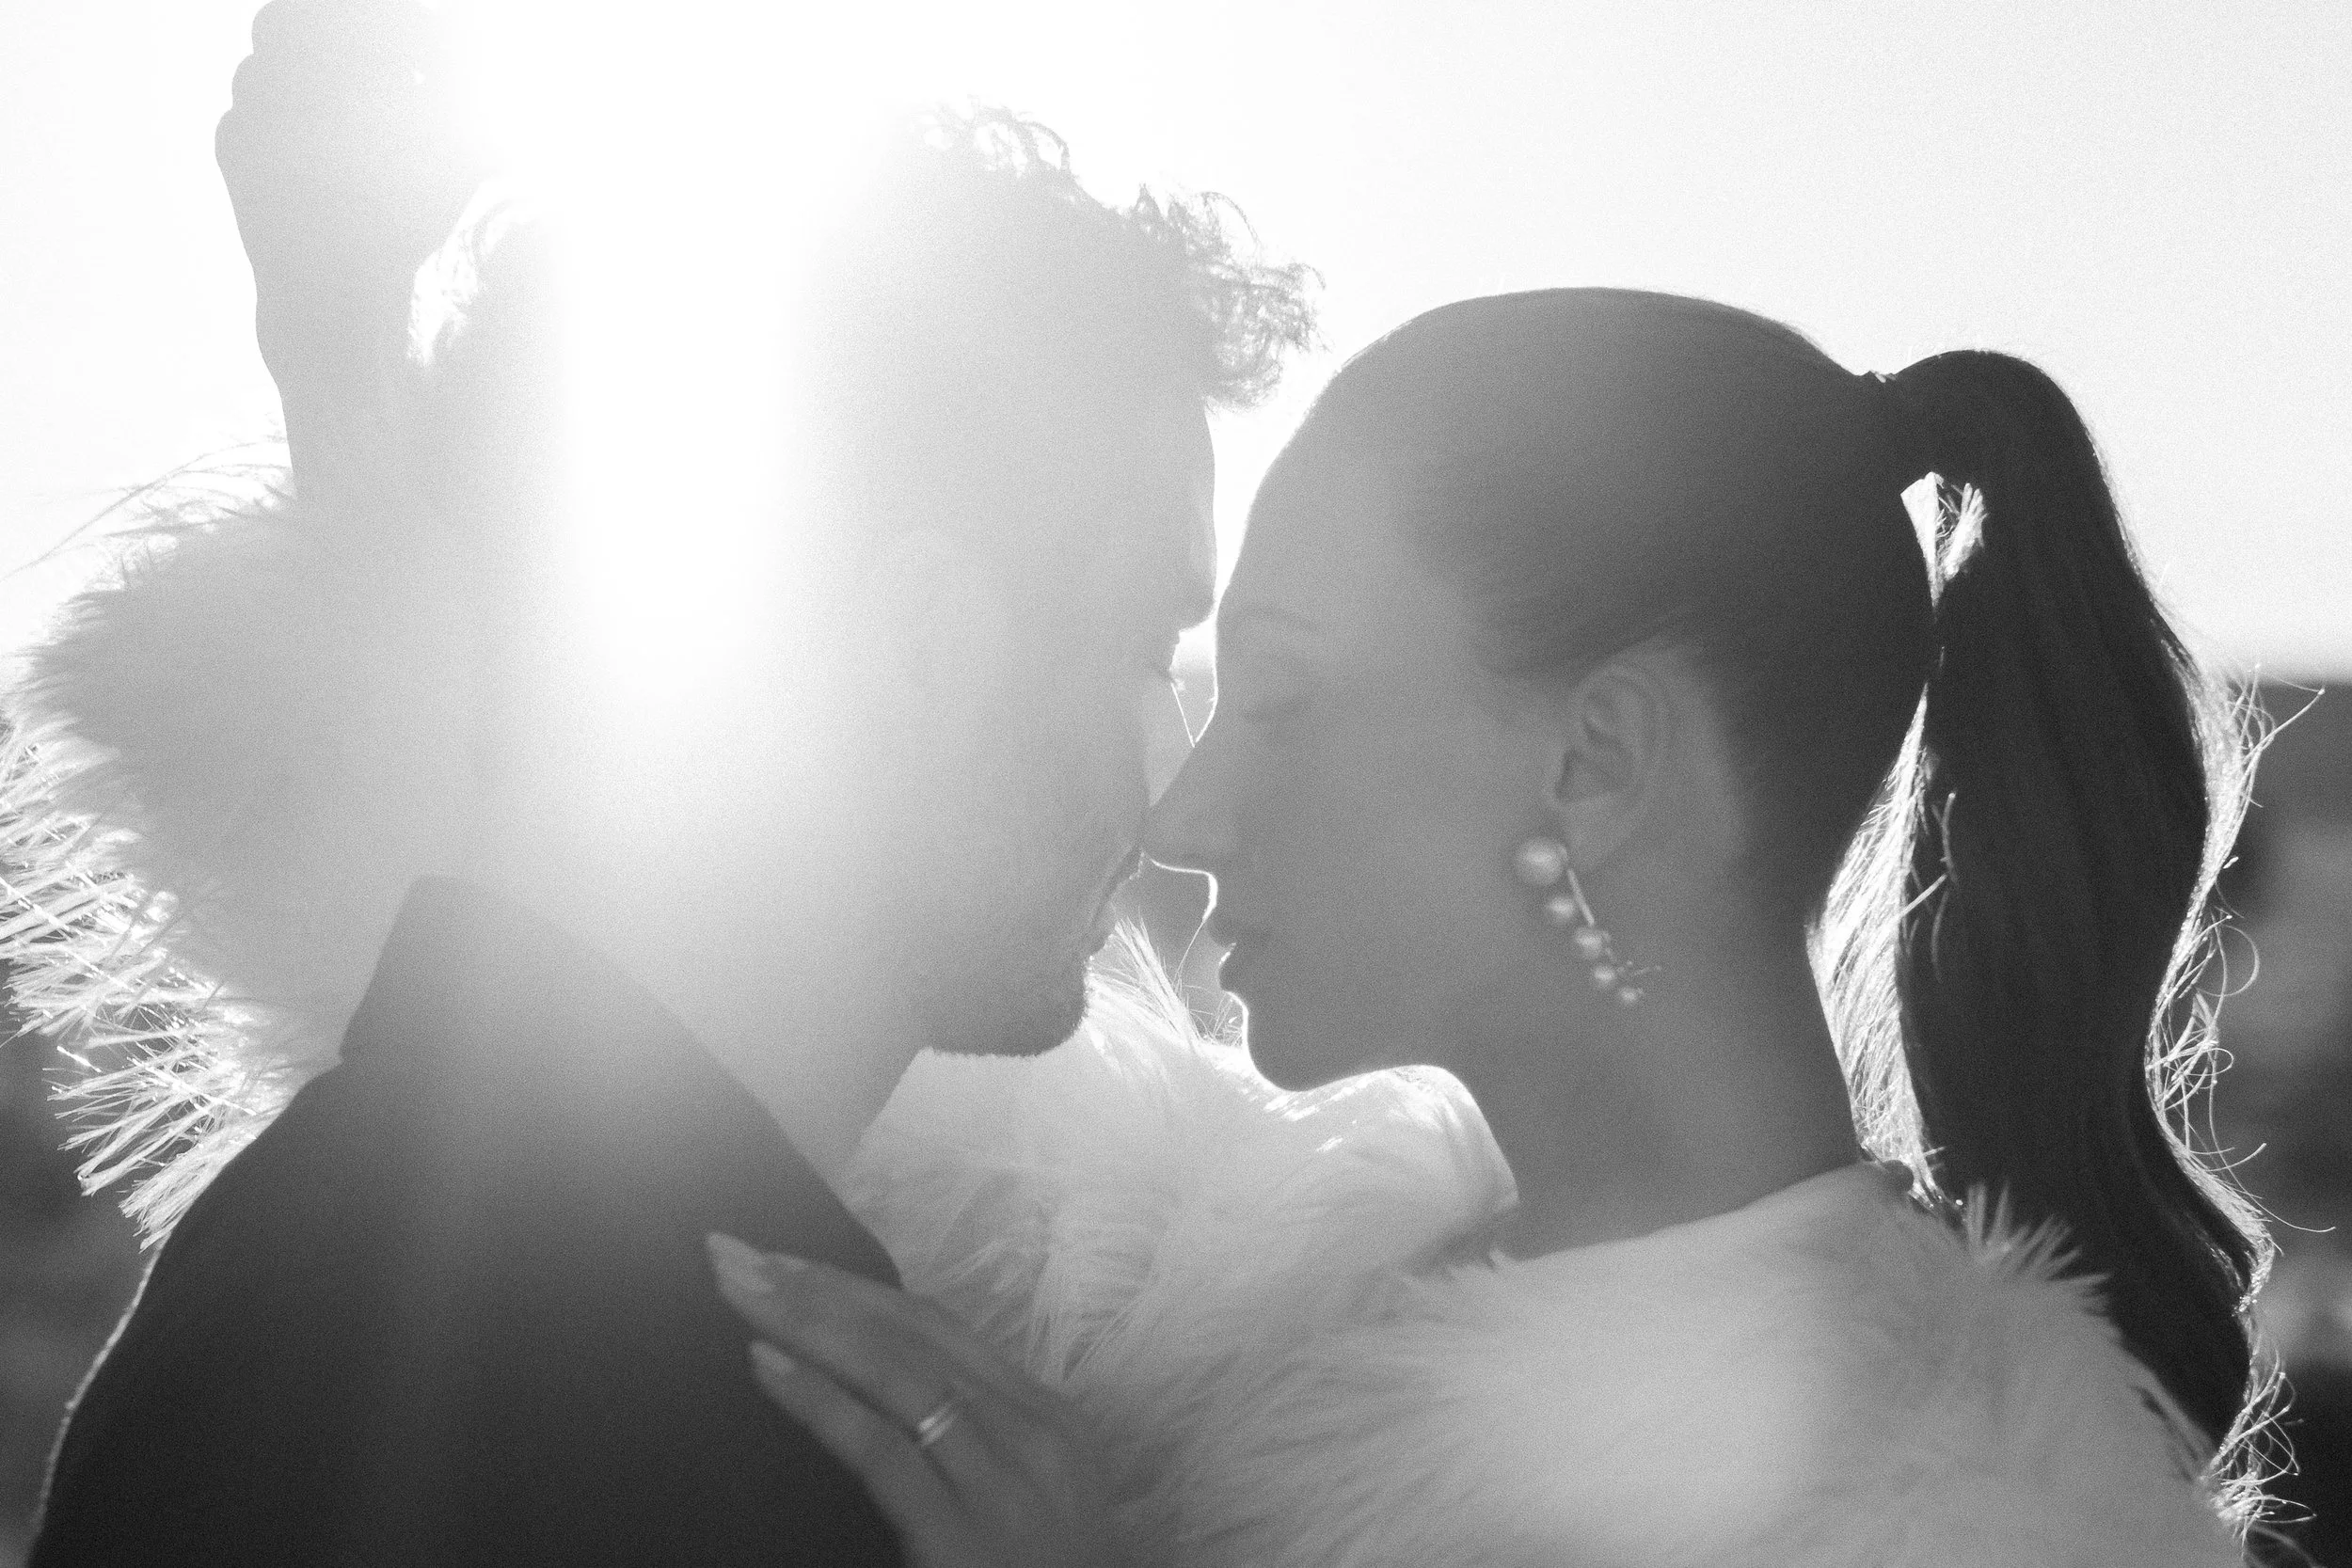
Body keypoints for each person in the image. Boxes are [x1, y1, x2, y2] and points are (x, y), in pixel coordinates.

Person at [0, 3, 1311, 1563]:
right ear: (920, 645)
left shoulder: (361, 1249)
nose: (1171, 784)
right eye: (1143, 648)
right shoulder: (701, 1422)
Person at [729, 289, 2281, 1564]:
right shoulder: (1195, 1278)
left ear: (1594, 763)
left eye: (1276, 699)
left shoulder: (1955, 1524)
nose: (1182, 816)